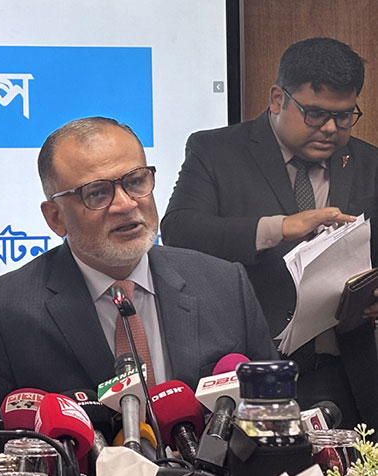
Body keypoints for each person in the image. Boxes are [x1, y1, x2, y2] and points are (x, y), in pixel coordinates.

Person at [0, 117, 278, 407]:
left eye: (135, 181)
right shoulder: (4, 313)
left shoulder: (224, 284)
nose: (125, 204)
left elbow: (272, 411)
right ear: (56, 218)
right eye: (97, 193)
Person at [161, 37, 378, 430]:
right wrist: (278, 228)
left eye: (344, 116)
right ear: (278, 99)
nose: (330, 128)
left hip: (347, 373)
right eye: (315, 114)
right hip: (249, 371)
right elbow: (179, 230)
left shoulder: (369, 163)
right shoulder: (216, 151)